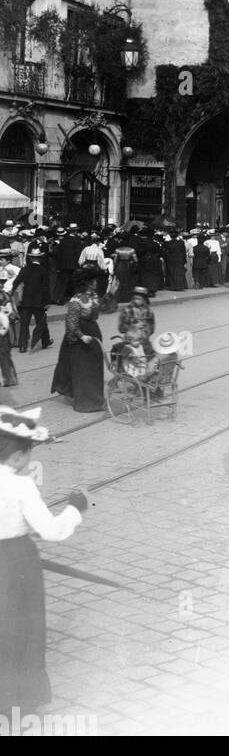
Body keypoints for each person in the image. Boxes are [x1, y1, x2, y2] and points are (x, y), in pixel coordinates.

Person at [0, 406, 88, 714]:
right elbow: (50, 531)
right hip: (15, 563)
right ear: (18, 456)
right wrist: (76, 509)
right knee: (21, 626)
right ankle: (18, 699)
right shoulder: (21, 485)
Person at [51, 266, 116, 413]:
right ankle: (86, 402)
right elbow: (71, 321)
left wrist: (111, 293)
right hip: (79, 339)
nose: (96, 283)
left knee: (94, 367)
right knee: (83, 369)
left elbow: (104, 309)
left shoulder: (93, 296)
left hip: (93, 333)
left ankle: (96, 399)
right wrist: (82, 336)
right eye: (94, 281)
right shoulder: (76, 300)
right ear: (88, 283)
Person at [12, 247, 52, 354]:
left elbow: (15, 283)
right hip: (39, 302)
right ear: (40, 259)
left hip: (25, 301)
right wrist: (47, 302)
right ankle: (45, 341)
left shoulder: (24, 269)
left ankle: (22, 345)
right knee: (41, 322)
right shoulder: (43, 270)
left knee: (24, 324)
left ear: (30, 258)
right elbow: (46, 288)